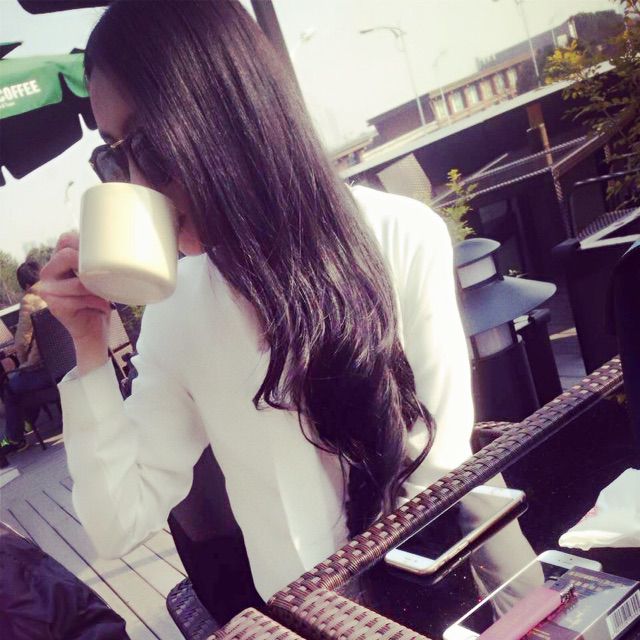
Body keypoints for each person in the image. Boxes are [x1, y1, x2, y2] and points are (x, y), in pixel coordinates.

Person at [40, 0, 485, 616]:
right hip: (297, 622)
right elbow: (119, 523)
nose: (135, 184)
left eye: (149, 146)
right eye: (113, 157)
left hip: (429, 595)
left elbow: (437, 473)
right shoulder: (179, 308)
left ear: (227, 113)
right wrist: (89, 345)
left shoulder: (400, 238)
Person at [0, 261, 49, 454]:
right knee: (18, 381)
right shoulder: (57, 292)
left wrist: (22, 362)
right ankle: (27, 422)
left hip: (46, 372)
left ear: (26, 285)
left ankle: (15, 439)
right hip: (71, 363)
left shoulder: (30, 300)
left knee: (10, 386)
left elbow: (21, 343)